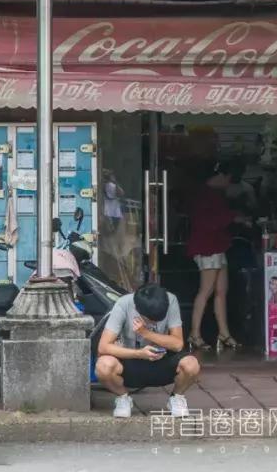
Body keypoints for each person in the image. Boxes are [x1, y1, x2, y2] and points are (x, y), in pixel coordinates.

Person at [95, 284, 201, 418]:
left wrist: (145, 333)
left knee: (192, 365)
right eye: (149, 319)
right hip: (130, 360)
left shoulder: (170, 300)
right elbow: (103, 346)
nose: (153, 322)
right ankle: (123, 398)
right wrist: (139, 353)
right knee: (103, 366)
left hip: (162, 359)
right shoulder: (124, 303)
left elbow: (178, 344)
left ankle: (177, 398)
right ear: (138, 309)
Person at [187, 162, 241, 350]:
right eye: (228, 180)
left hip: (217, 246)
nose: (228, 184)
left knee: (221, 291)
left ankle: (224, 333)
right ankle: (194, 334)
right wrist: (233, 217)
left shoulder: (212, 194)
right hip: (207, 247)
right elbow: (208, 222)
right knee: (206, 291)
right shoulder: (204, 195)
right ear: (221, 176)